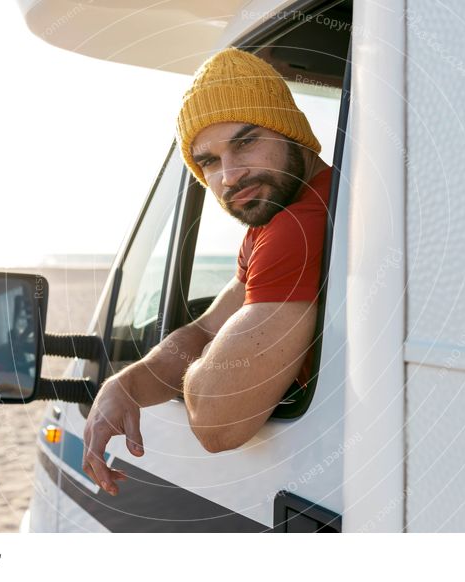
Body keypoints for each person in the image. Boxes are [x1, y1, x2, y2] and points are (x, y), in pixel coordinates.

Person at [82, 48, 333, 496]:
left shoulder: (301, 224)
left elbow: (218, 421)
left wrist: (206, 364)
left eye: (245, 141)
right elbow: (205, 328)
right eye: (209, 162)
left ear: (292, 130)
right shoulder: (278, 216)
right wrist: (127, 383)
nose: (231, 176)